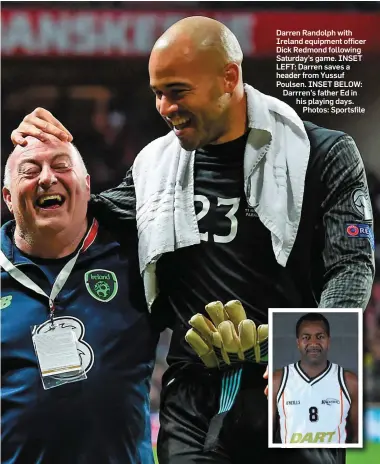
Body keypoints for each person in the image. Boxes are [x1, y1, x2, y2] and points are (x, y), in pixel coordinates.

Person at [11, 15, 374, 464]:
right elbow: (82, 216)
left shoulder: (323, 154)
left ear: (229, 77)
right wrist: (44, 165)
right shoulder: (151, 170)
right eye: (157, 93)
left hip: (297, 376)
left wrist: (301, 351)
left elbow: (352, 265)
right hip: (192, 392)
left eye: (177, 91)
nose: (164, 107)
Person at [1, 136, 159, 464]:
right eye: (30, 171)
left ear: (87, 187)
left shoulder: (135, 253)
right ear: (8, 198)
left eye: (61, 166)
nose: (47, 178)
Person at [273, 313, 358, 446]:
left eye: (320, 337)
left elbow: (357, 438)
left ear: (328, 341)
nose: (313, 343)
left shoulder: (349, 381)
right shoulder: (277, 380)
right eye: (306, 337)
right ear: (298, 342)